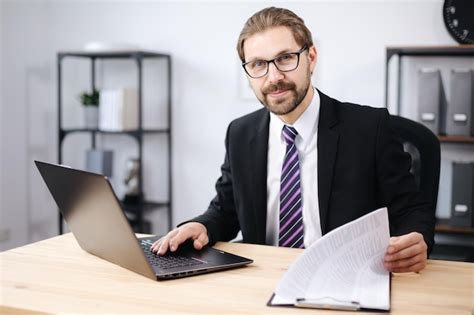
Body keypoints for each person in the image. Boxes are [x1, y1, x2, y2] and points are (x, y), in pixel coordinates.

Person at [151, 7, 435, 273]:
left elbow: (411, 209)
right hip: (264, 277)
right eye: (259, 64)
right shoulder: (240, 133)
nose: (274, 77)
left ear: (311, 57)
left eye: (285, 58)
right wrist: (203, 226)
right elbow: (226, 210)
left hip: (346, 275)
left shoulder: (369, 128)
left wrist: (417, 238)